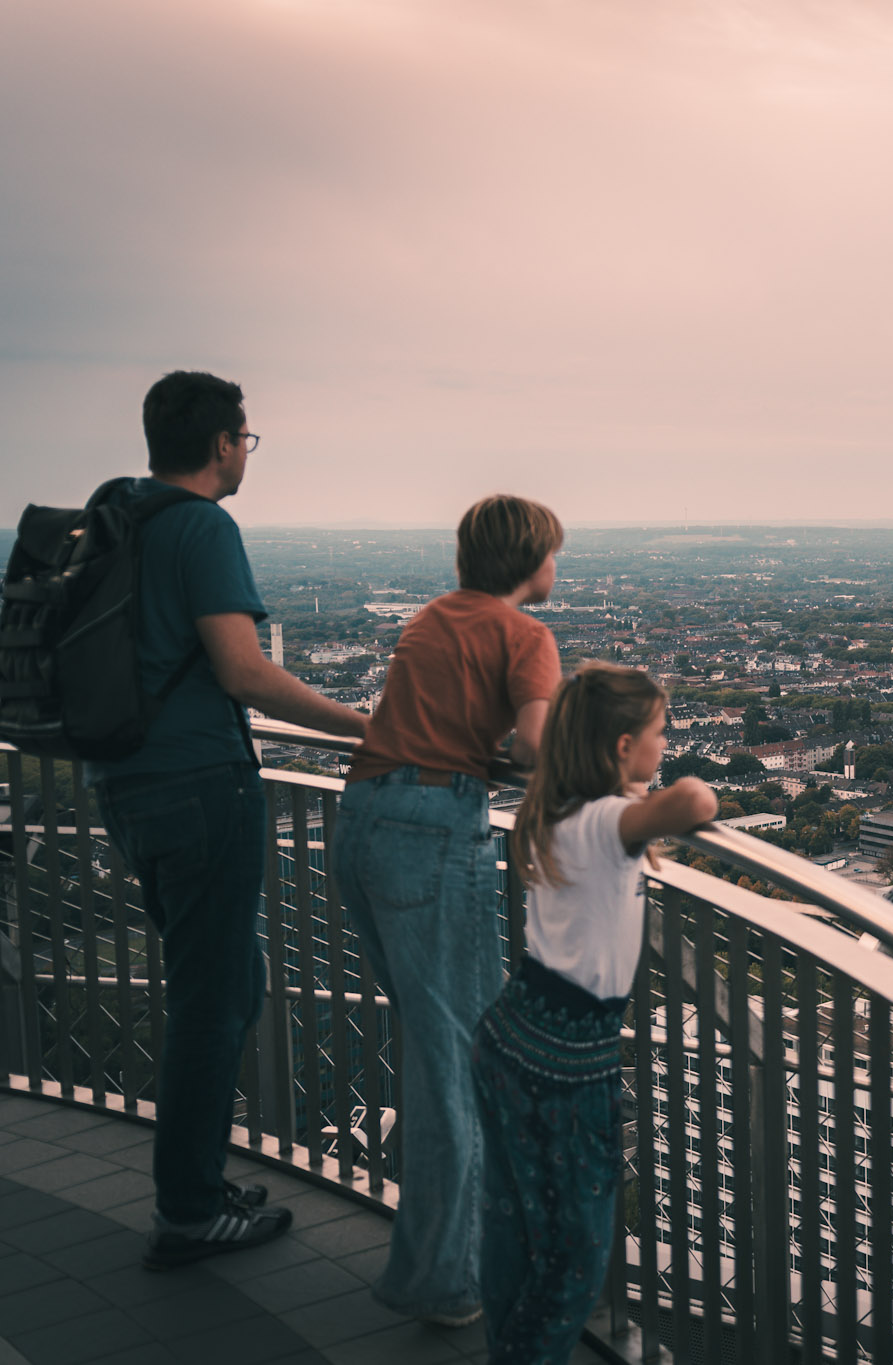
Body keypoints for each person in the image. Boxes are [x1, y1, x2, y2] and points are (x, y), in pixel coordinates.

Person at [87, 371, 369, 1269]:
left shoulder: (119, 515)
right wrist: (370, 727)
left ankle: (199, 1179)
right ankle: (190, 1208)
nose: (247, 453)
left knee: (226, 978)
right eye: (246, 439)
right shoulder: (204, 526)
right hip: (202, 785)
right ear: (221, 444)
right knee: (213, 1002)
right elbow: (246, 673)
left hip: (125, 782)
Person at [332, 494, 564, 1327]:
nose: (555, 570)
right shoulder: (527, 636)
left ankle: (442, 1258)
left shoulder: (430, 618)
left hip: (360, 819)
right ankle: (445, 1281)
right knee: (462, 1067)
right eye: (553, 556)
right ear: (532, 560)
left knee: (439, 1054)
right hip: (434, 833)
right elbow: (535, 748)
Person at [473, 664, 717, 1364]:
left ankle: (504, 1343)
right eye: (660, 733)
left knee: (512, 1223)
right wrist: (650, 794)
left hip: (513, 1030)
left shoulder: (558, 809)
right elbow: (694, 801)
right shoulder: (609, 821)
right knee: (578, 1254)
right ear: (619, 747)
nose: (667, 745)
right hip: (566, 1059)